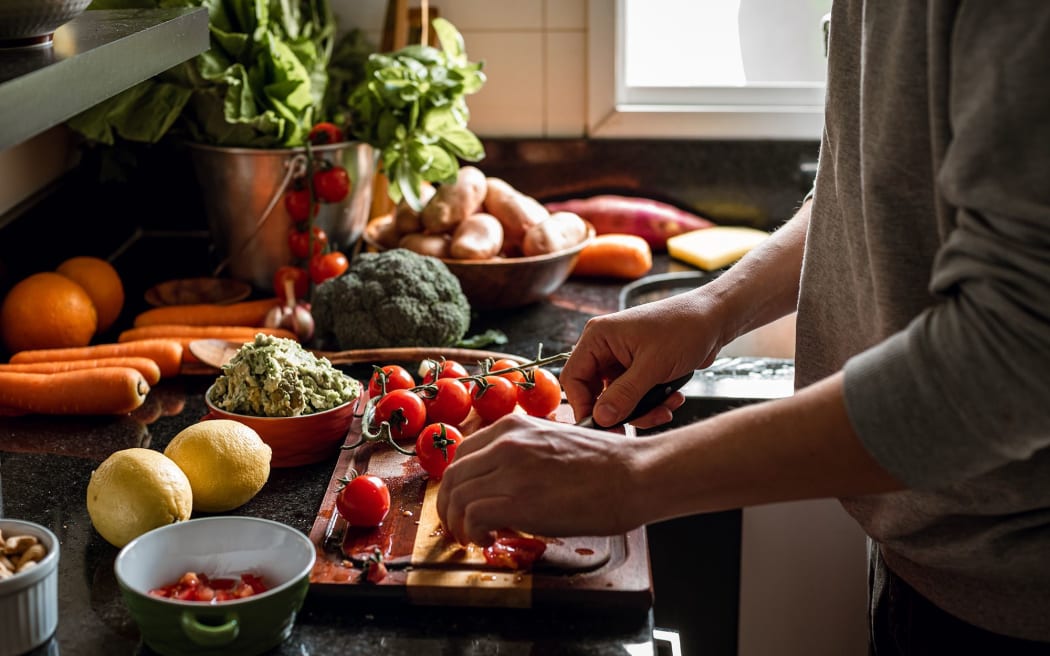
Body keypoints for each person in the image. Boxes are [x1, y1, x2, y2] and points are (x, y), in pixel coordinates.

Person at [437, 2, 1050, 653]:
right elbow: (879, 183)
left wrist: (634, 476)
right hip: (932, 555)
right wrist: (715, 307)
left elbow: (1016, 349)